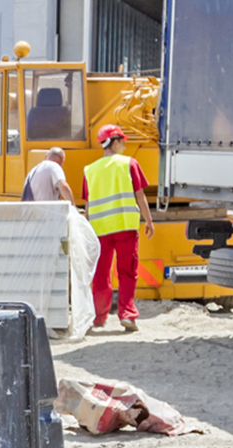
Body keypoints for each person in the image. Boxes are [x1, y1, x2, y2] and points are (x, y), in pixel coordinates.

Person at [81, 124, 155, 332]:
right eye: (122, 141)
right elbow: (140, 196)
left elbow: (87, 206)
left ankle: (98, 317)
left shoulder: (90, 170)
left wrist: (87, 231)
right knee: (127, 272)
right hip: (125, 227)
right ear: (114, 142)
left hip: (99, 230)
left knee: (101, 275)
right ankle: (128, 316)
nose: (124, 145)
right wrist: (148, 221)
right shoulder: (129, 164)